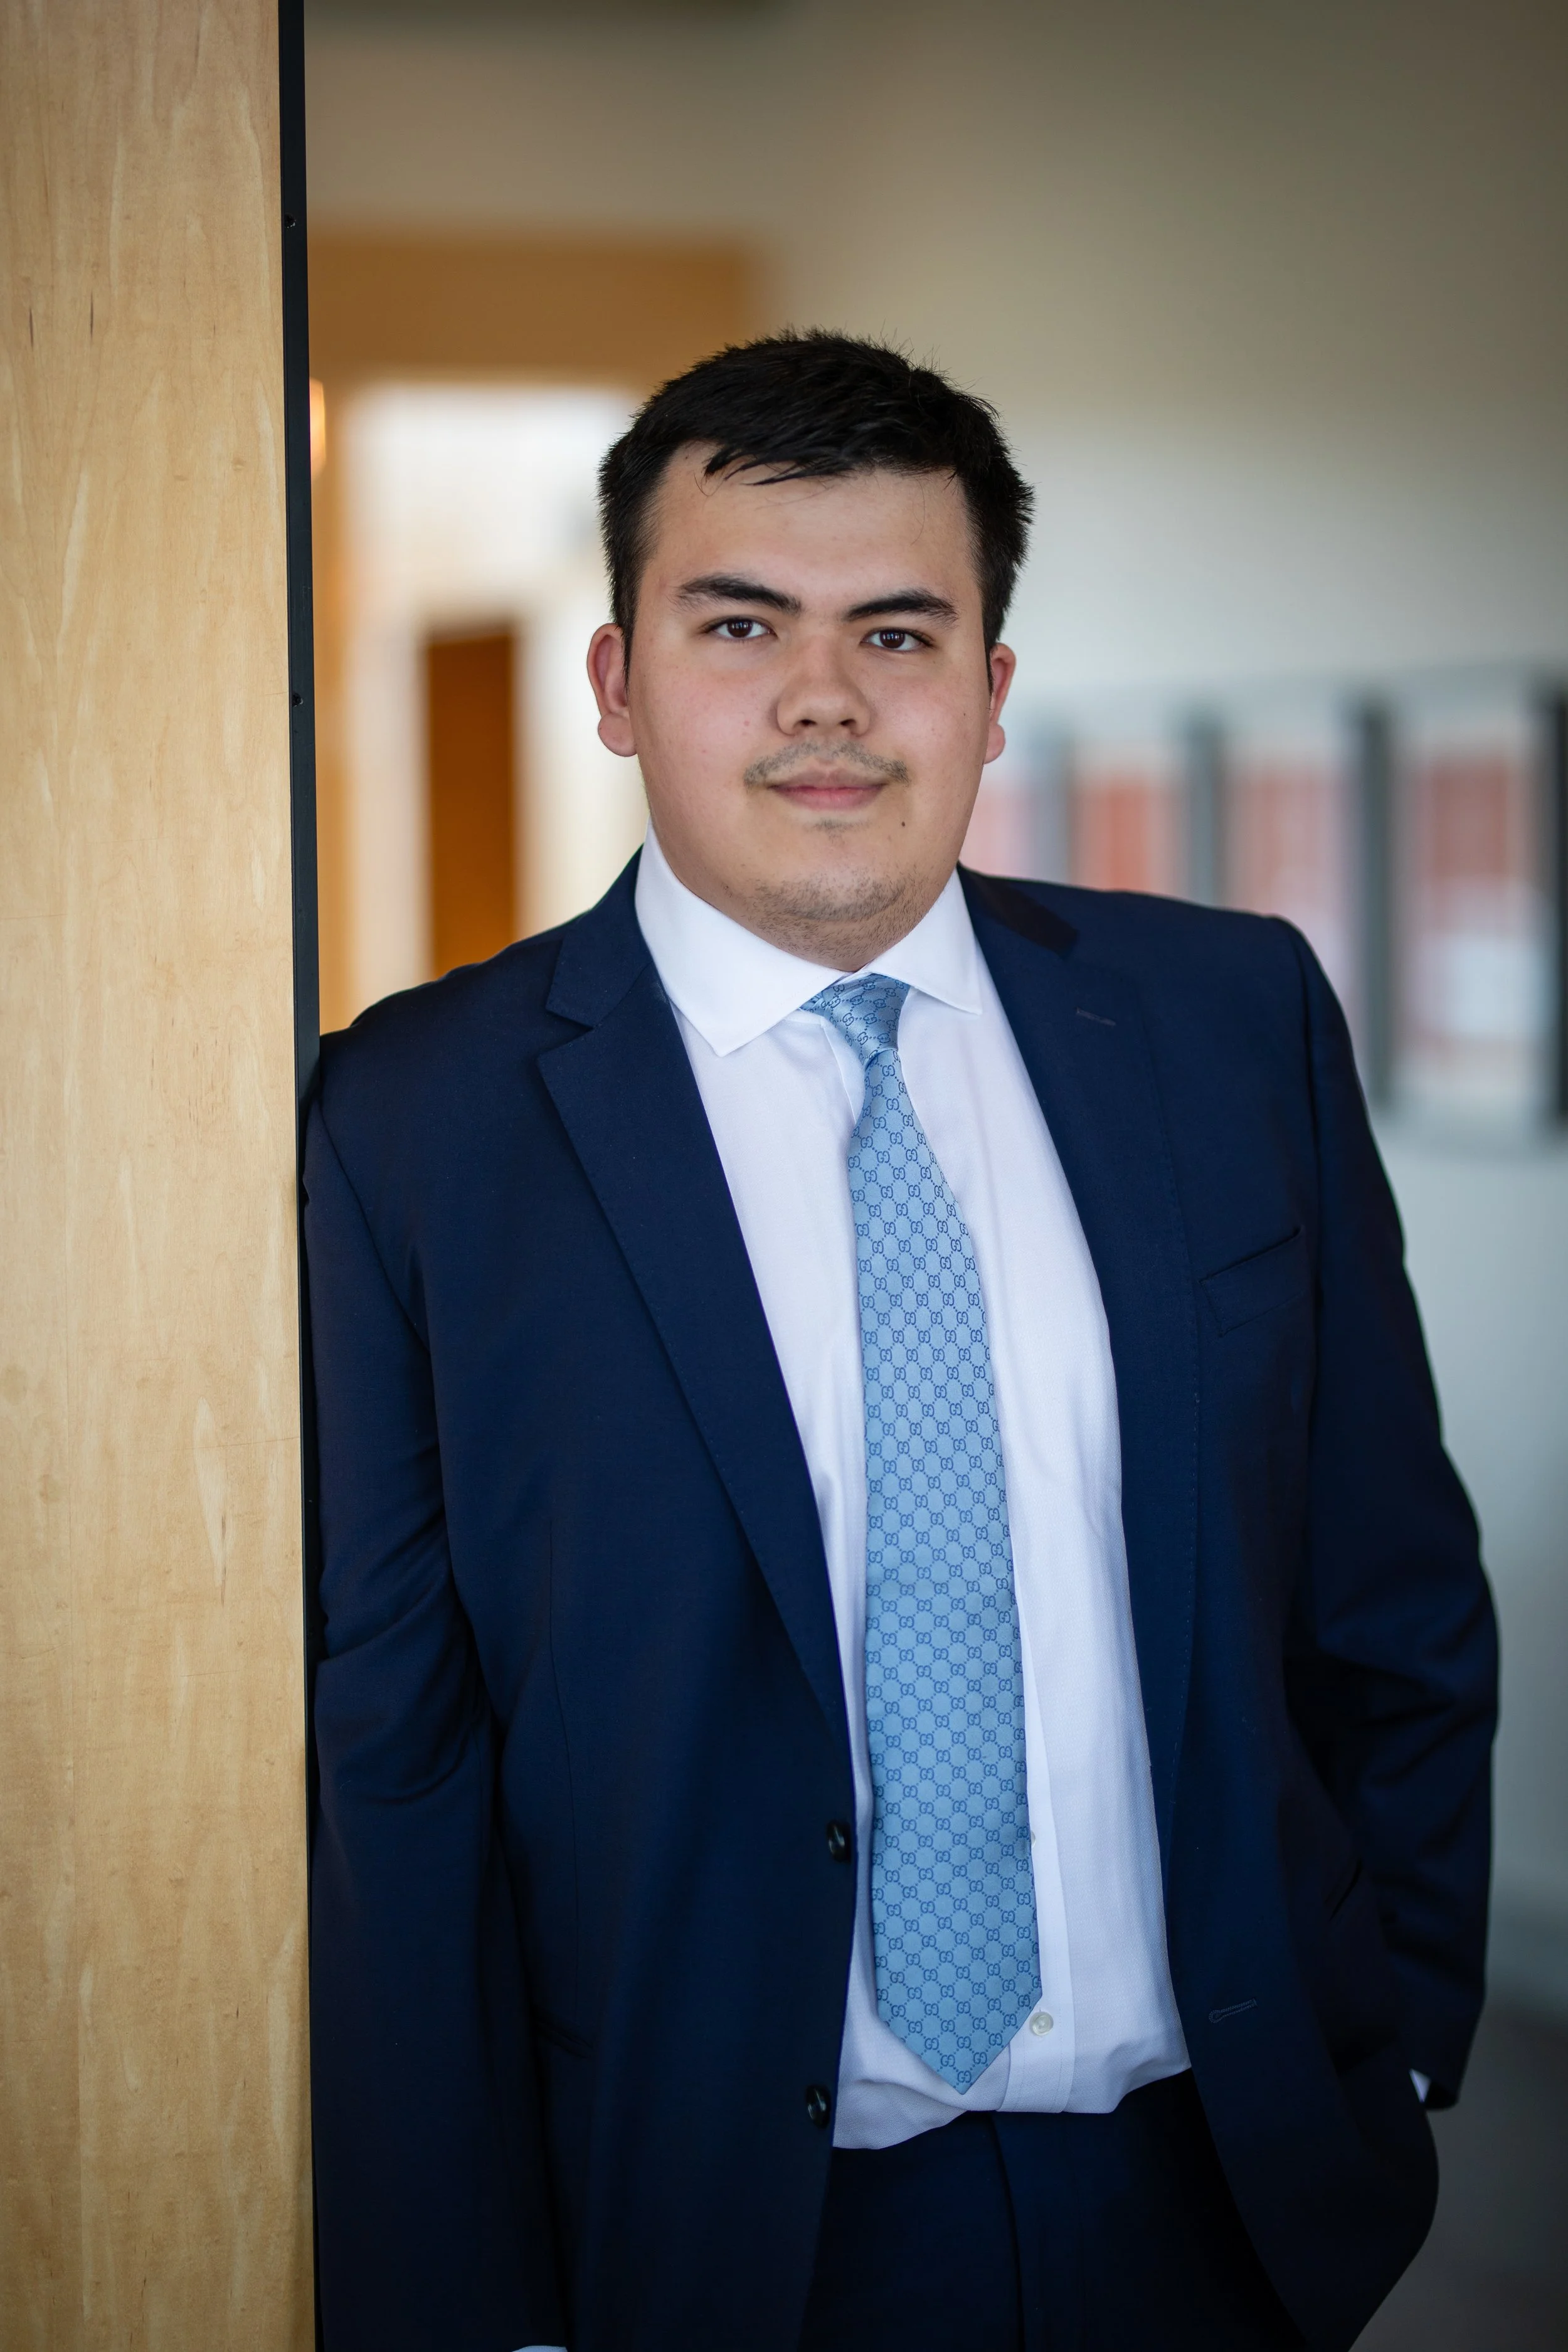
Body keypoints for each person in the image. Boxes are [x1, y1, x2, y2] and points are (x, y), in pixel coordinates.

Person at [304, 333, 1496, 2352]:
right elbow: (394, 1757)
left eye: (899, 630)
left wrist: (1383, 2040)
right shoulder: (414, 1121)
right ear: (614, 682)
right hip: (702, 2234)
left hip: (1217, 2193)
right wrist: (468, 2280)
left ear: (990, 691)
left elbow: (1385, 1590)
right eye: (738, 621)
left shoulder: (1224, 1022)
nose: (824, 698)